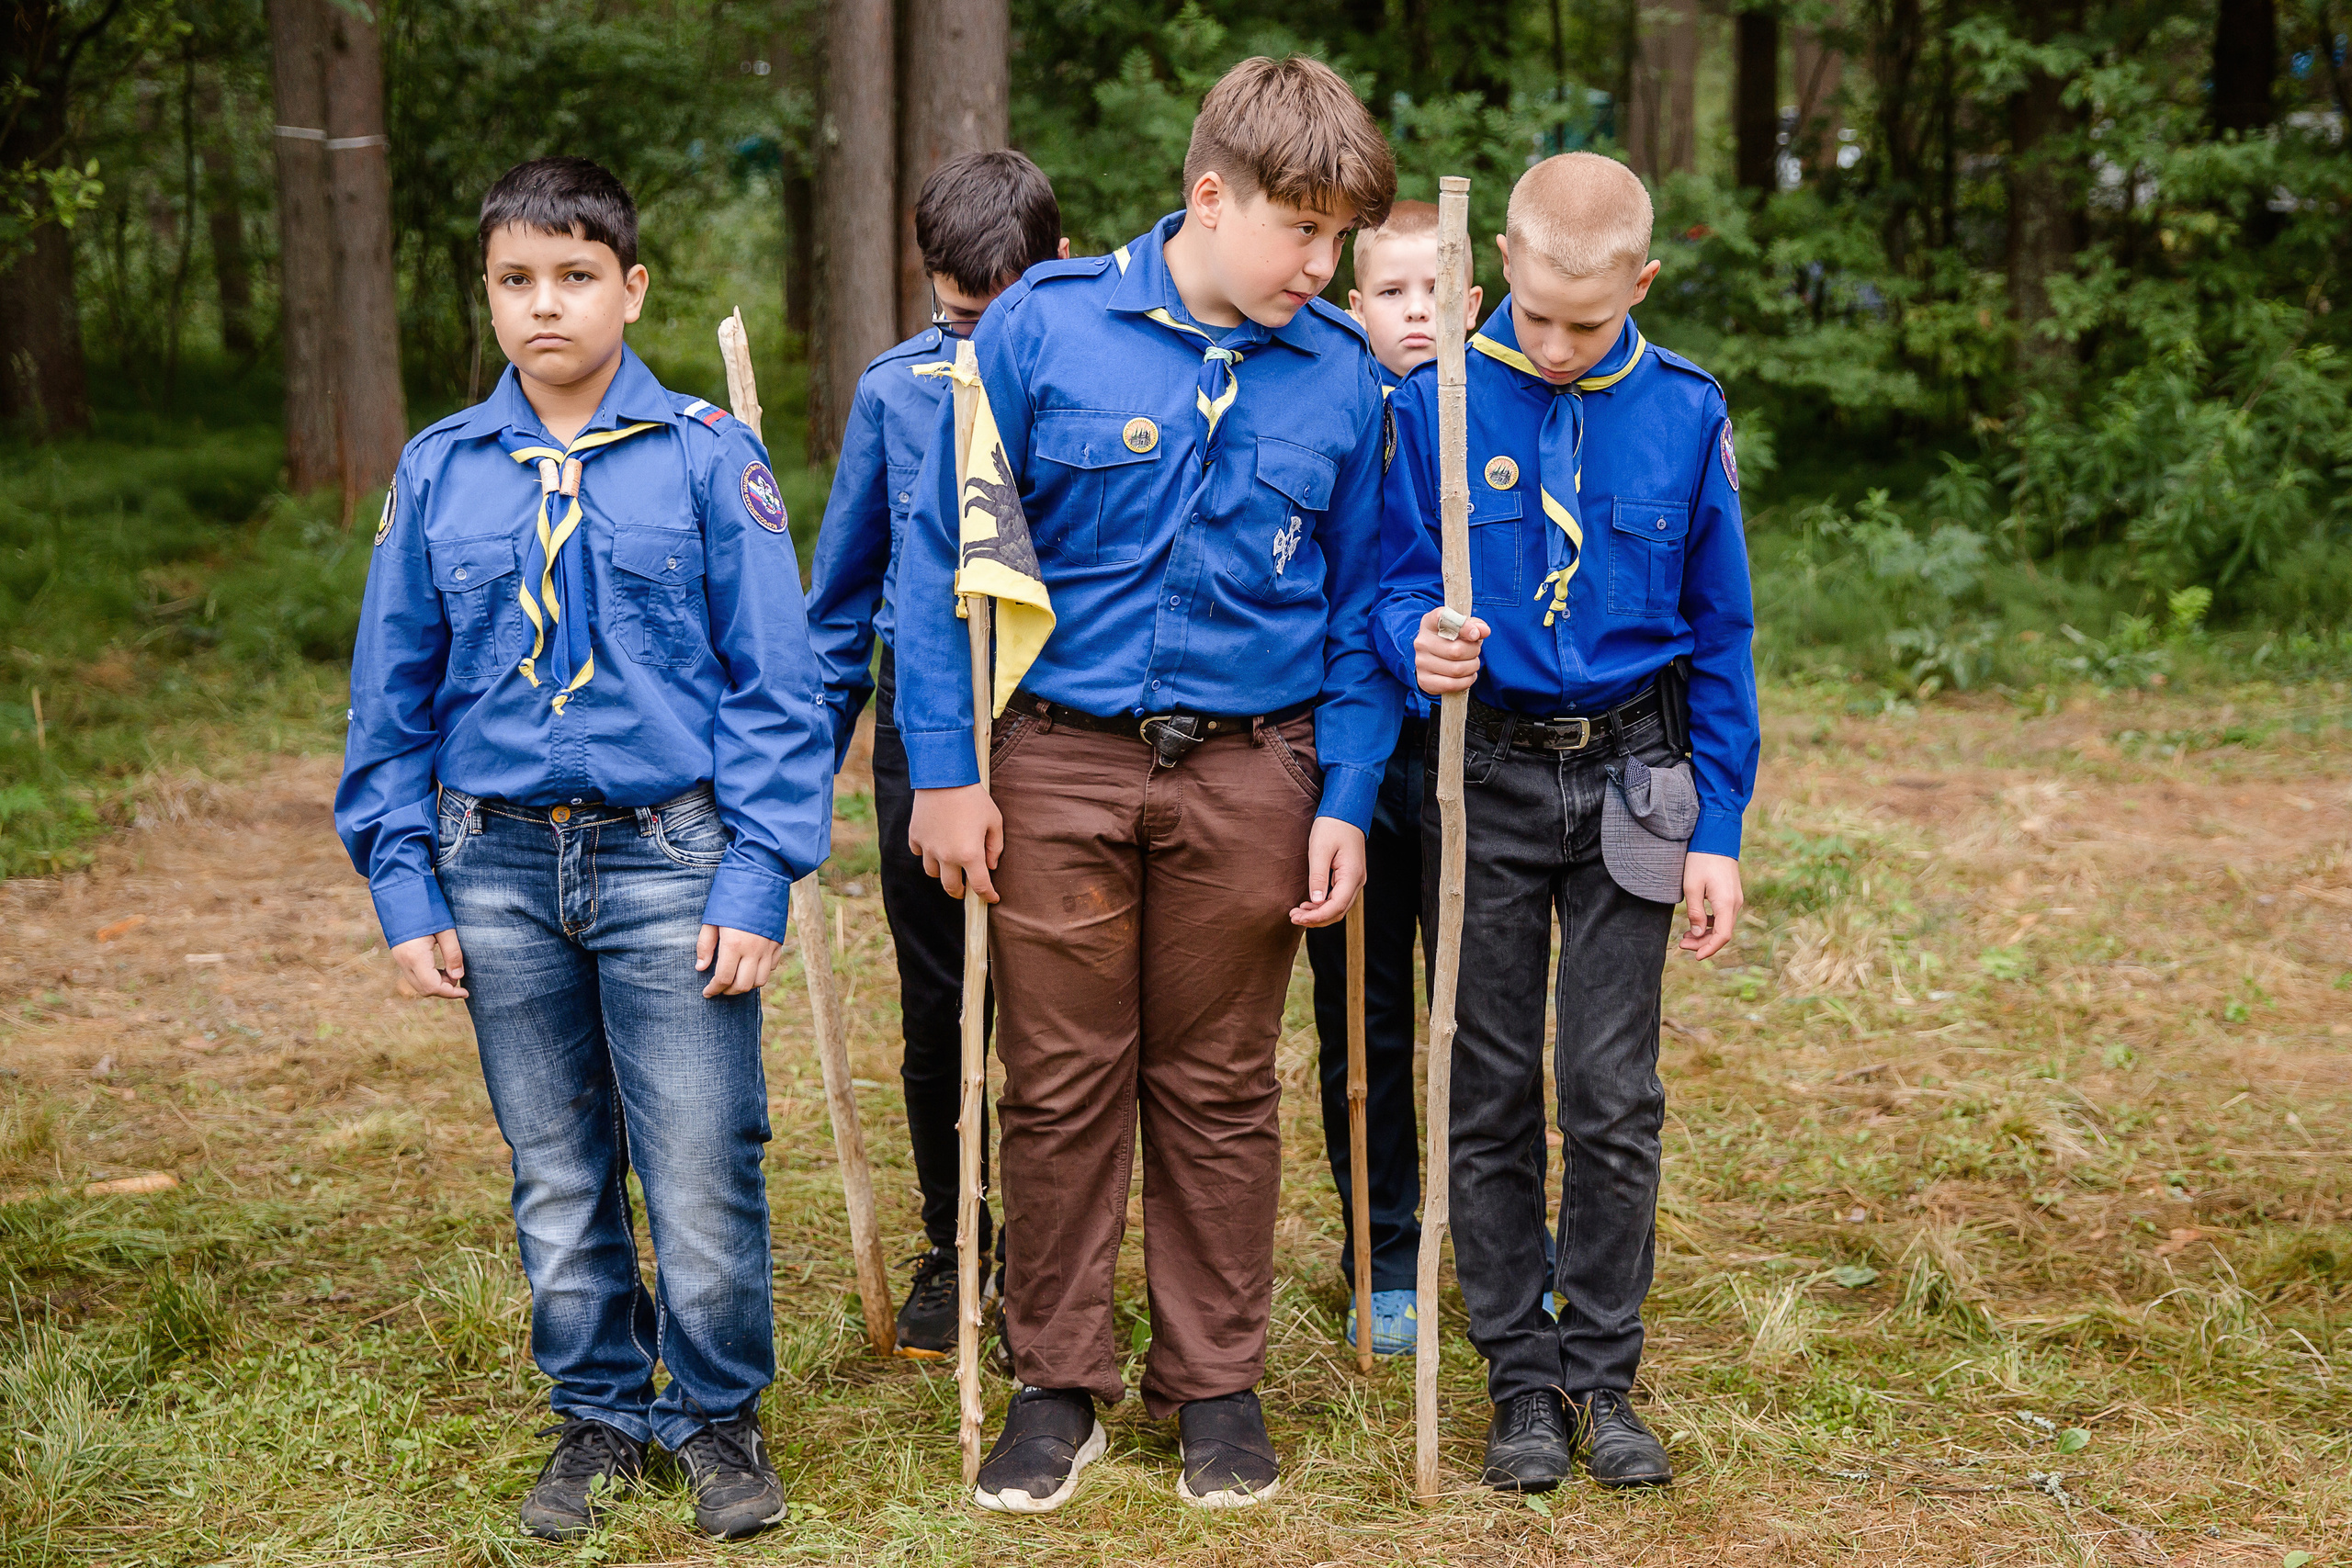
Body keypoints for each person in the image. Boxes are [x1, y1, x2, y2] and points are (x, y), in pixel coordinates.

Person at [895, 56, 1399, 1514]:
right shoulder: (1043, 333)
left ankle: (1215, 1383)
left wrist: (1347, 794)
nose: (1322, 264)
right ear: (1208, 197)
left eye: (1339, 241)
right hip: (1053, 758)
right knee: (1055, 1082)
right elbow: (947, 558)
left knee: (1224, 1083)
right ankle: (1057, 1378)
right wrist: (945, 769)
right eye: (1300, 231)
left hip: (1253, 772)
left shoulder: (1344, 379)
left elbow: (1369, 608)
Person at [334, 156, 831, 1542]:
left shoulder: (707, 458)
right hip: (490, 860)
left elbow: (774, 690)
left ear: (631, 288)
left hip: (670, 853)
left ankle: (717, 1413)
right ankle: (600, 1407)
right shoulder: (441, 474)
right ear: (486, 293)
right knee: (554, 1159)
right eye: (514, 279)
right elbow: (393, 692)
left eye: (573, 276)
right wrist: (400, 874)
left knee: (698, 1153)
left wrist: (755, 872)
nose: (543, 304)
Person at [1375, 152, 1758, 1493]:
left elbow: (1722, 633)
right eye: (1528, 315)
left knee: (1609, 1089)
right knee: (1486, 1086)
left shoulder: (1686, 411)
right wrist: (1408, 632)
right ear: (1500, 281)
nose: (1548, 346)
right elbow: (1379, 581)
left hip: (1635, 777)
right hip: (1481, 779)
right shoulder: (1433, 403)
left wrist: (1718, 826)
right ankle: (1519, 1381)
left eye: (1584, 324)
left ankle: (1604, 1369)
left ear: (1640, 286)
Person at [802, 150, 1067, 1360]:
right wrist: (798, 766)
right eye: (960, 320)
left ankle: (1058, 1252)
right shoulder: (895, 393)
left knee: (1061, 1005)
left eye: (1001, 316)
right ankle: (955, 1239)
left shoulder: (1096, 375)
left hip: (1060, 720)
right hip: (925, 722)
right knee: (942, 1002)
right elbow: (844, 597)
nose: (980, 346)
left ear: (1055, 270)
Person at [1304, 200, 1482, 1359]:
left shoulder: (1490, 418)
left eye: (1433, 292)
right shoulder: (1333, 413)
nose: (1414, 312)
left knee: (1472, 1012)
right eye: (1389, 294)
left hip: (1471, 759)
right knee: (1361, 1018)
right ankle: (1380, 1244)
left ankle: (1494, 1241)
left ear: (1470, 301)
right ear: (1354, 306)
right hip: (1351, 759)